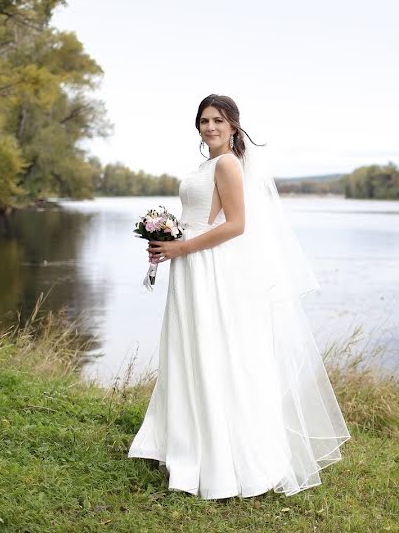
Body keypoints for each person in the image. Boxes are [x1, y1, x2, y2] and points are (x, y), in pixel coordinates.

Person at [127, 94, 350, 499]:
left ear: (233, 126)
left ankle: (222, 458)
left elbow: (237, 225)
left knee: (213, 352)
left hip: (209, 266)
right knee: (189, 349)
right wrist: (166, 239)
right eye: (204, 120)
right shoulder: (206, 165)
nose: (210, 126)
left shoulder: (228, 163)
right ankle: (185, 443)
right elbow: (201, 217)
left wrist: (182, 248)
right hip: (191, 264)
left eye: (218, 120)